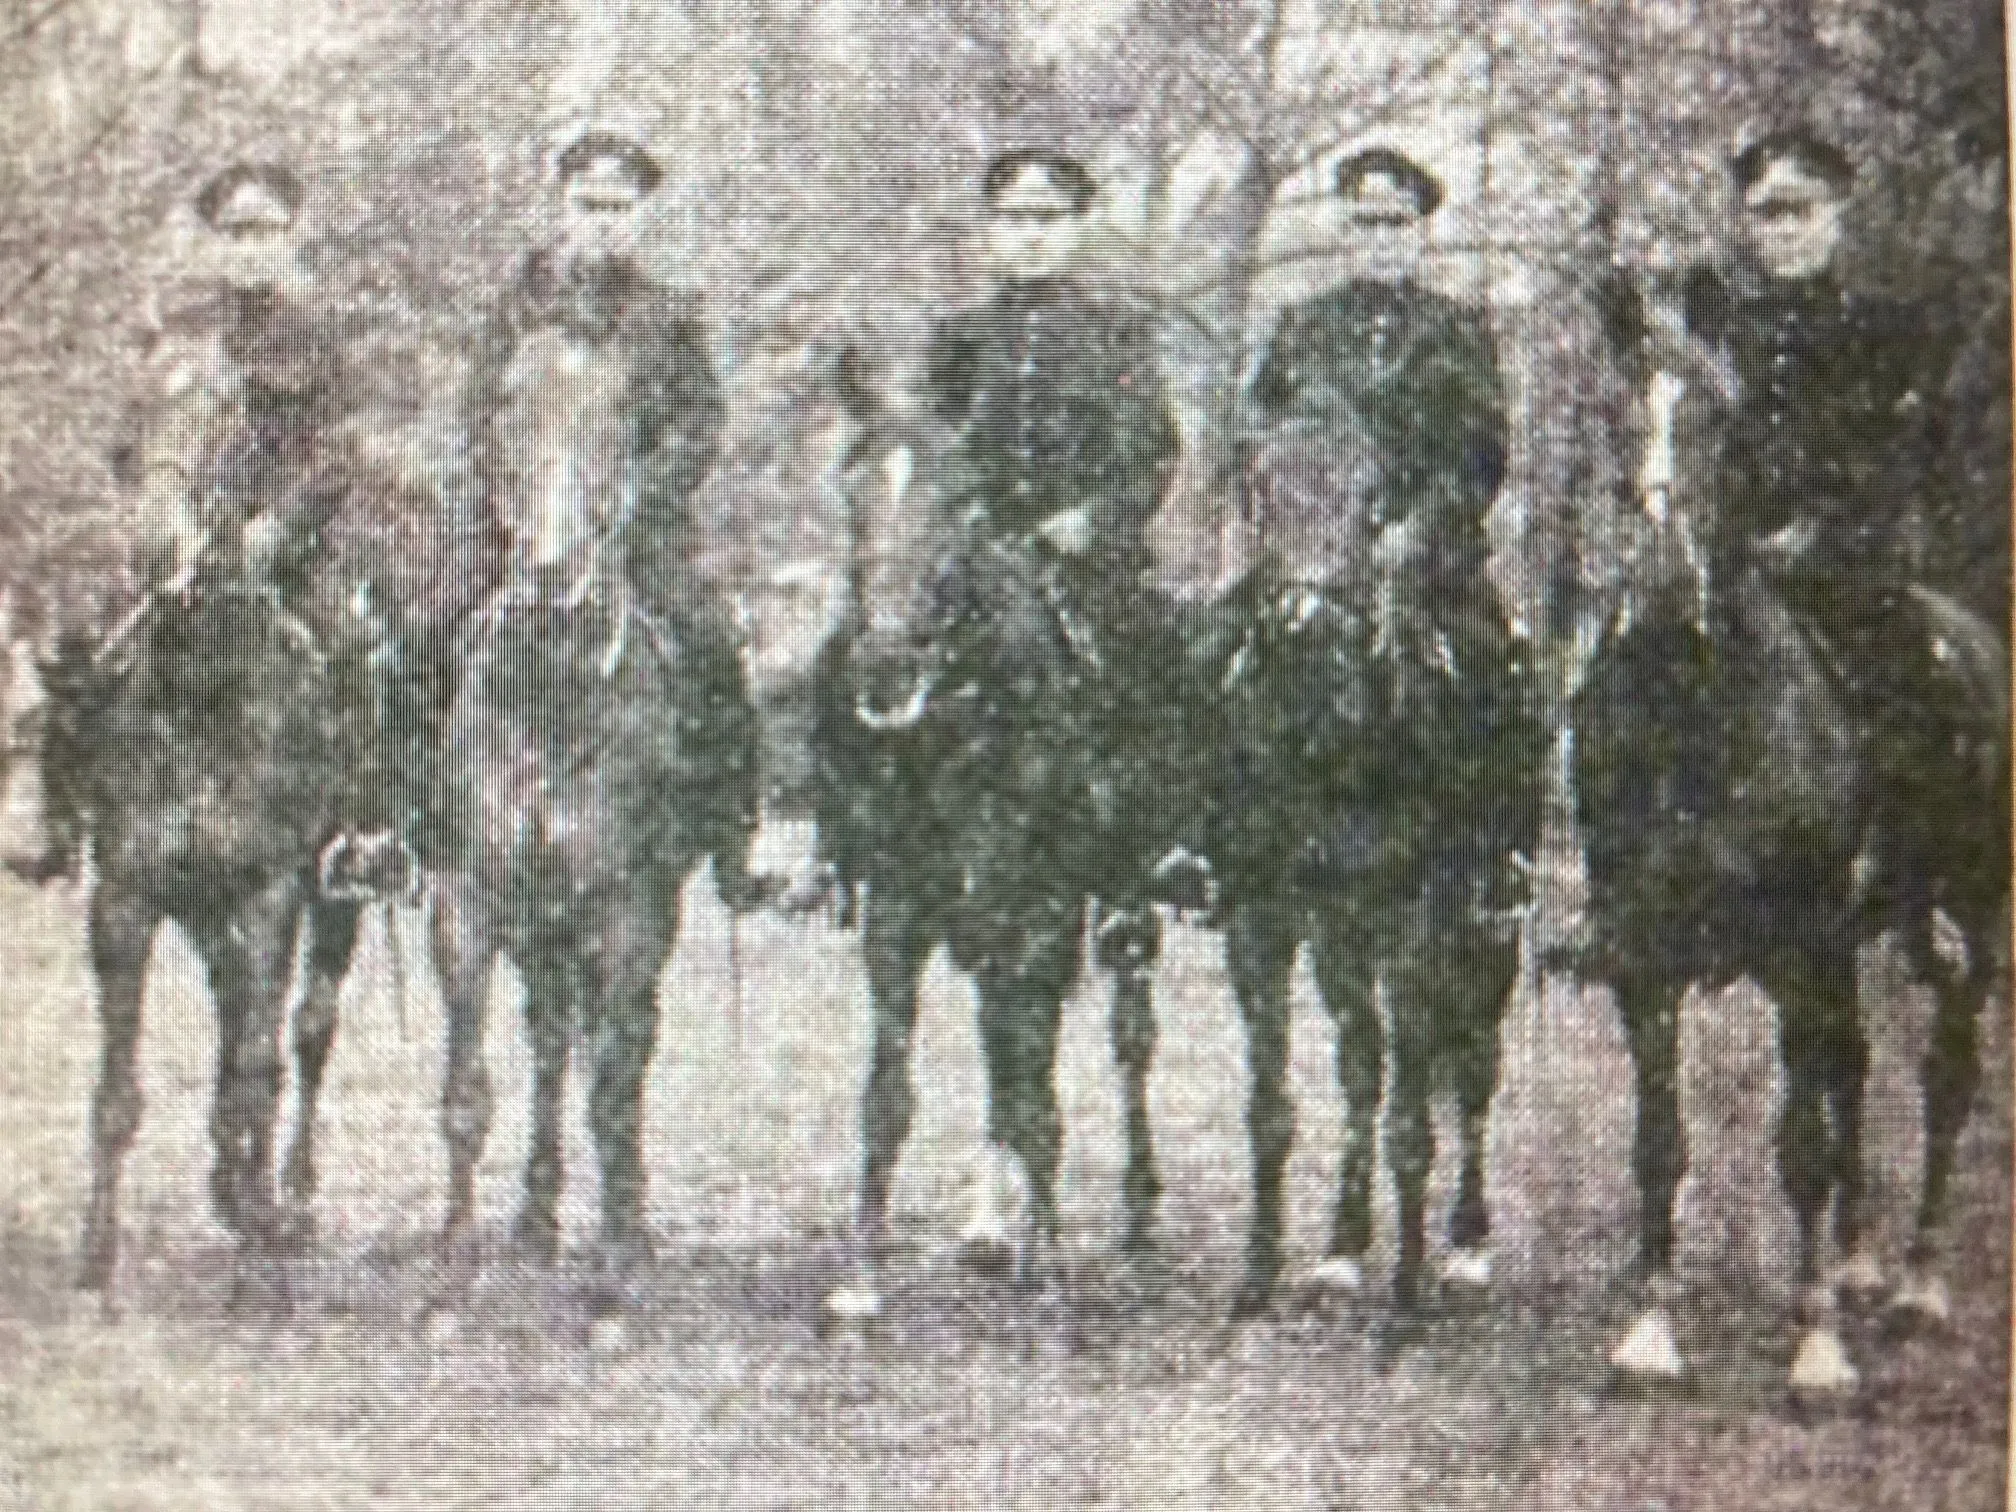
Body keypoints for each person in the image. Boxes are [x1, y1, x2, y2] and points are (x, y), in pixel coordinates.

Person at [463, 126, 763, 907]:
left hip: (632, 536)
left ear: (642, 217)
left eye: (619, 208)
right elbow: (476, 416)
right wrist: (507, 500)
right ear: (561, 207)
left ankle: (730, 838)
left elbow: (699, 426)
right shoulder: (517, 307)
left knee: (708, 640)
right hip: (519, 529)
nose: (602, 220)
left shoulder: (669, 315)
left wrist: (640, 495)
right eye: (588, 204)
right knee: (428, 629)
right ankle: (409, 826)